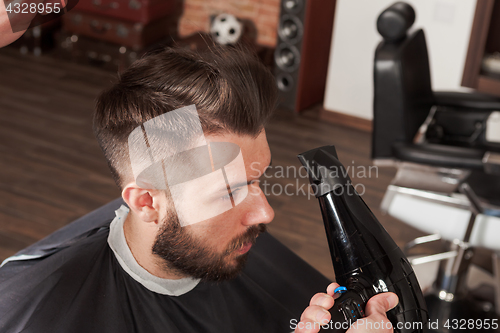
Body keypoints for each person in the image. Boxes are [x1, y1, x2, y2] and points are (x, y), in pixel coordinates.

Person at [0, 45, 397, 333]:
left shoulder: (225, 243)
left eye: (257, 180)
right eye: (229, 192)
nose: (265, 213)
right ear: (147, 203)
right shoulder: (34, 312)